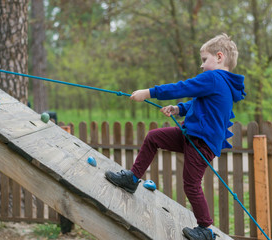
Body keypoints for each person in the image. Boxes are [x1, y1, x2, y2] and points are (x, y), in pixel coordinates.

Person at [105, 33, 246, 240]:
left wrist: (149, 92)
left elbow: (183, 87)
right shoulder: (220, 83)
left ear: (219, 57)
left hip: (202, 142)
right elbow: (200, 103)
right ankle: (133, 179)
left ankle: (206, 230)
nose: (201, 65)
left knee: (191, 183)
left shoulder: (214, 78)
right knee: (154, 137)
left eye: (204, 60)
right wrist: (179, 108)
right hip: (191, 135)